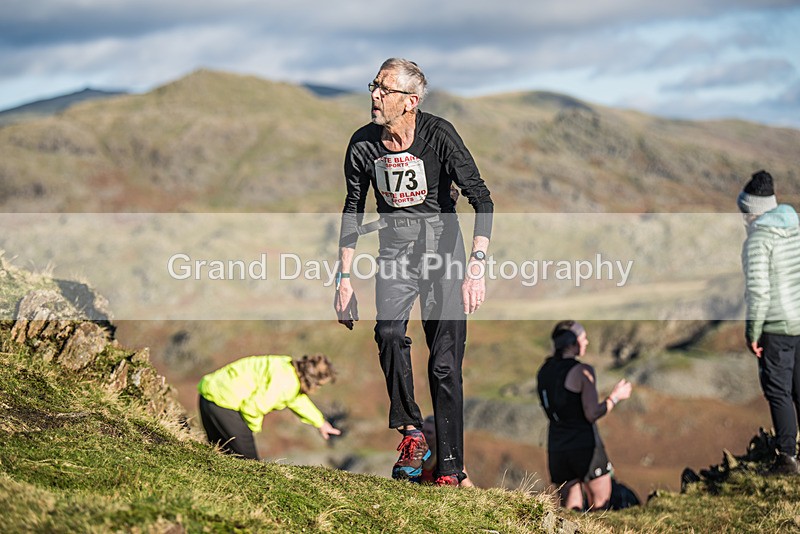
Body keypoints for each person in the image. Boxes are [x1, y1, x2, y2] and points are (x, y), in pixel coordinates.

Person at [334, 58, 494, 486]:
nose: (374, 95)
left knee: (444, 365)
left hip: (444, 256)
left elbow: (482, 199)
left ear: (411, 101)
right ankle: (412, 433)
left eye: (384, 89)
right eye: (373, 85)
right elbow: (352, 211)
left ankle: (450, 469)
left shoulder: (438, 135)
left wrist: (475, 268)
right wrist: (343, 280)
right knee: (387, 333)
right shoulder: (362, 145)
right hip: (395, 255)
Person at [738, 170, 800, 475]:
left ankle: (787, 458)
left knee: (778, 389)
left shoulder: (758, 241)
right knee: (799, 385)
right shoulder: (795, 227)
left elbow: (759, 292)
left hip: (777, 325)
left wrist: (753, 332)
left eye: (744, 212)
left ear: (753, 211)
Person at [536, 321, 632, 511]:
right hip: (584, 446)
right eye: (583, 338)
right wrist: (615, 397)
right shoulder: (582, 371)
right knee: (600, 508)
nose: (587, 342)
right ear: (573, 343)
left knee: (571, 513)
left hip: (557, 447)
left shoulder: (544, 371)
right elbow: (592, 413)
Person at [197, 353, 341, 460]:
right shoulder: (286, 383)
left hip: (208, 395)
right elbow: (252, 407)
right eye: (320, 385)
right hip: (224, 405)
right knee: (249, 466)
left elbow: (296, 399)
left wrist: (320, 422)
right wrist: (252, 429)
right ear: (313, 381)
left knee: (218, 455)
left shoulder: (286, 365)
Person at [420, 415, 475, 487]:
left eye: (429, 433)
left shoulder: (448, 456)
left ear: (438, 435)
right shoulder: (414, 451)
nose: (425, 435)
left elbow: (466, 484)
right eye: (423, 431)